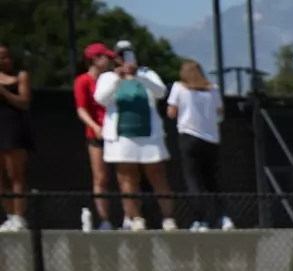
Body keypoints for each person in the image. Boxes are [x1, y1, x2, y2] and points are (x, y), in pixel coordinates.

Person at [94, 44, 175, 231]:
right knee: (127, 178)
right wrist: (118, 78)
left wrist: (137, 75)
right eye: (121, 55)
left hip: (149, 136)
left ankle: (168, 218)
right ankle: (135, 218)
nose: (125, 59)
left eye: (129, 54)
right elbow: (101, 99)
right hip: (121, 137)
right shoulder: (108, 77)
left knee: (157, 176)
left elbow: (160, 92)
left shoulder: (147, 74)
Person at [166, 61, 230, 231]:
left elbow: (171, 113)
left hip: (189, 137)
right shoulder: (213, 88)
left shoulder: (179, 88)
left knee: (193, 179)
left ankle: (200, 220)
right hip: (211, 139)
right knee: (212, 180)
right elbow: (220, 113)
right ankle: (223, 217)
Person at [74, 43, 118, 230]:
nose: (108, 61)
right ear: (94, 59)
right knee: (100, 178)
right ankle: (104, 219)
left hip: (117, 133)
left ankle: (131, 217)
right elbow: (82, 109)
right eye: (104, 57)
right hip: (96, 135)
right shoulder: (83, 81)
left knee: (125, 175)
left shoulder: (113, 79)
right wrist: (94, 126)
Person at [0, 44, 32, 232]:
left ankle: (20, 217)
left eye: (7, 57)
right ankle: (9, 216)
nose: (4, 61)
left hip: (13, 128)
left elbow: (24, 102)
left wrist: (4, 92)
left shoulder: (20, 76)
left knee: (16, 175)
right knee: (1, 179)